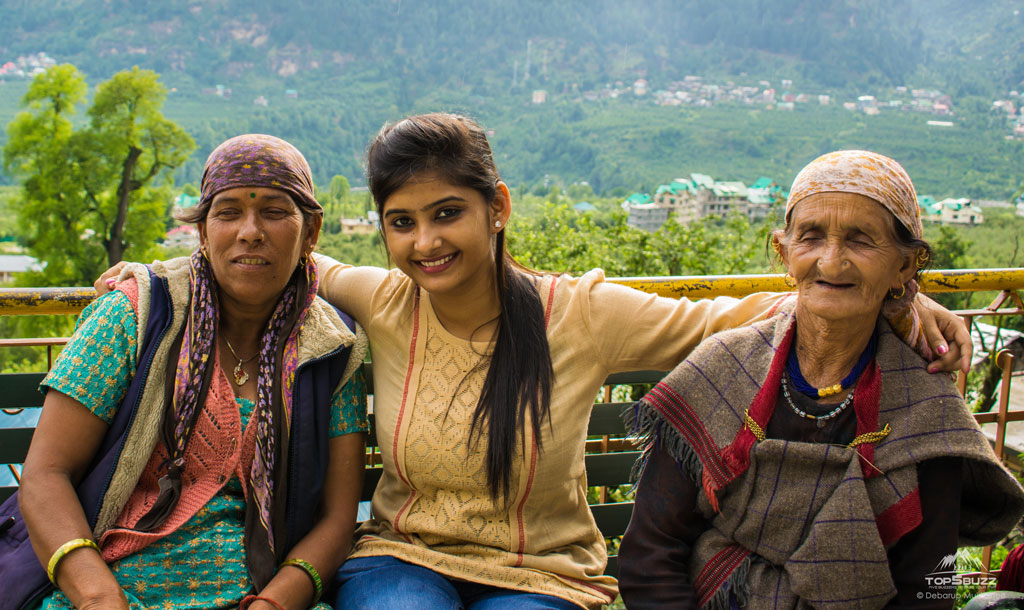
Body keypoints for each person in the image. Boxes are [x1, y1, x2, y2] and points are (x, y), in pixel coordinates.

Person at [95, 116, 971, 609]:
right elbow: (272, 254)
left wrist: (901, 296)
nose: (426, 243)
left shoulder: (579, 315)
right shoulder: (386, 299)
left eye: (448, 215)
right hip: (401, 557)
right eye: (403, 222)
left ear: (497, 208)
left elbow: (731, 314)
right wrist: (147, 272)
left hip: (546, 573)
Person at [617, 150, 1024, 609]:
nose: (831, 262)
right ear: (784, 253)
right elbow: (650, 557)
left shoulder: (928, 413)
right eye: (810, 237)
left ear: (905, 267)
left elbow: (929, 588)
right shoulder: (722, 370)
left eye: (860, 240)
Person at [9, 134, 369, 610]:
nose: (251, 231)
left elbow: (338, 519)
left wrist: (274, 604)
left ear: (311, 231)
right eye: (228, 212)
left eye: (276, 212)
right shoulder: (136, 316)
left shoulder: (330, 347)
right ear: (203, 230)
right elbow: (45, 474)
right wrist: (99, 598)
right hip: (112, 589)